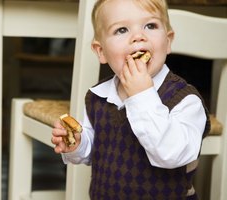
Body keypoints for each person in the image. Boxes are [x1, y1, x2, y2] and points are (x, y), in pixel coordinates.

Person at [51, 0, 210, 199]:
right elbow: (97, 148)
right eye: (122, 30)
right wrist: (79, 144)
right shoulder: (98, 96)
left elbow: (171, 155)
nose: (138, 37)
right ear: (101, 52)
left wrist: (142, 95)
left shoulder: (185, 100)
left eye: (150, 26)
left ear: (168, 41)